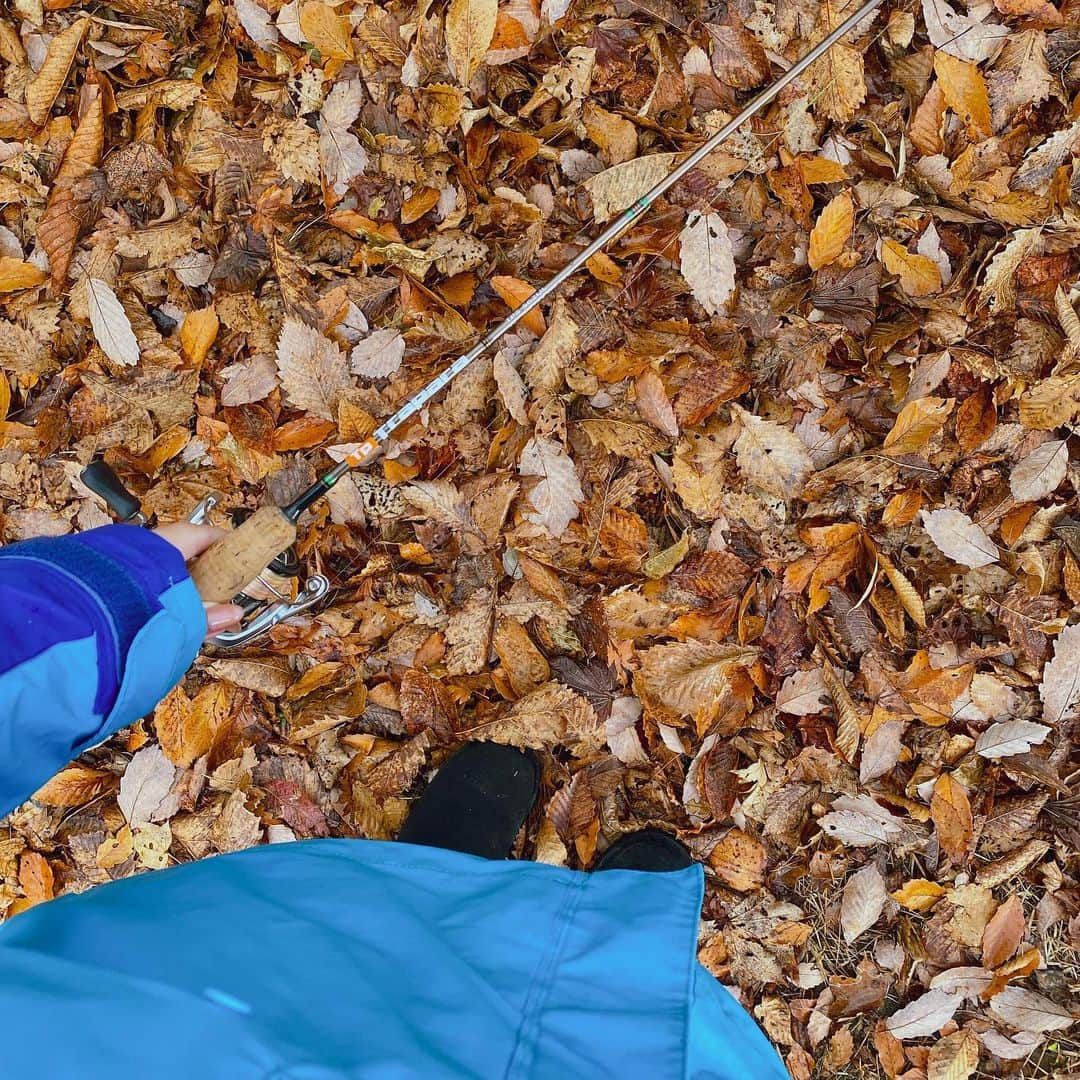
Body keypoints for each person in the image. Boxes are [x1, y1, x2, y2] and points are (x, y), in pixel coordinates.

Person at [0, 522, 787, 1078]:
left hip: (135, 1025)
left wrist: (104, 609)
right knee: (616, 1022)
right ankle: (590, 957)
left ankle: (439, 883)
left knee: (345, 967)